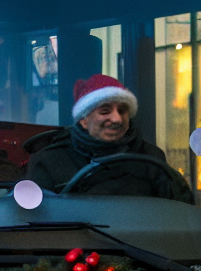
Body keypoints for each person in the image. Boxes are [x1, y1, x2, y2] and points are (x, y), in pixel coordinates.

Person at [25, 74, 190, 200]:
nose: (117, 119)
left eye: (122, 110)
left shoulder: (151, 157)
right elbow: (39, 228)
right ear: (84, 119)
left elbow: (176, 214)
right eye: (105, 111)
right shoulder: (50, 160)